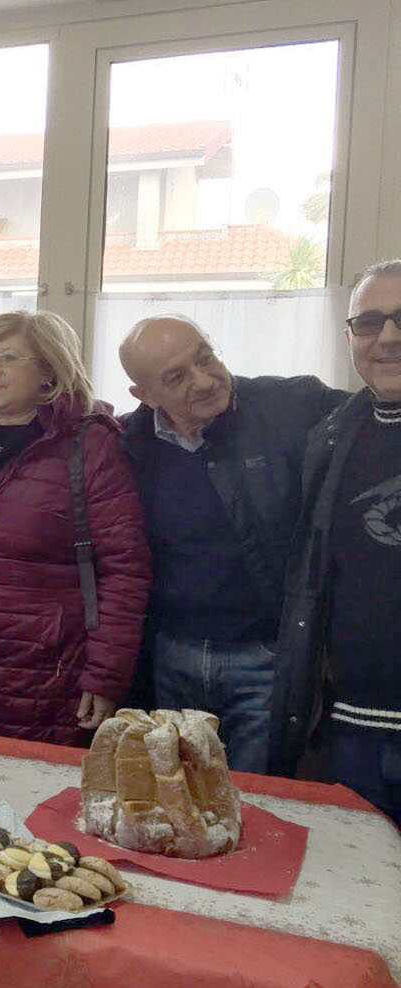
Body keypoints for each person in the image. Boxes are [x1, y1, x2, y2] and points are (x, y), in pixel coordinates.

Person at [118, 315, 345, 771]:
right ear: (145, 397)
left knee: (256, 806)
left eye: (206, 358)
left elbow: (381, 418)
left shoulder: (293, 406)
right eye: (177, 377)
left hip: (264, 657)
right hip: (171, 655)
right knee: (177, 801)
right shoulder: (128, 441)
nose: (204, 381)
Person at [0, 310, 150, 744]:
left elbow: (124, 569)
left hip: (52, 671)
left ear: (50, 371)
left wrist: (105, 676)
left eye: (9, 357)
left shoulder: (90, 444)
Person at [273, 259, 401, 824]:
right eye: (370, 322)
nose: (389, 338)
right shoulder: (329, 439)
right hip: (352, 726)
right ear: (349, 336)